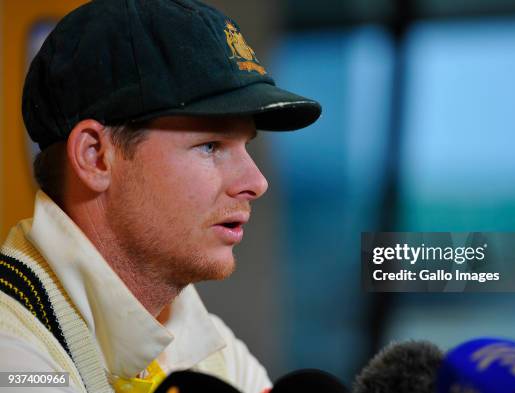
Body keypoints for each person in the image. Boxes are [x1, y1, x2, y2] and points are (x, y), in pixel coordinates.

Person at [0, 0, 321, 392]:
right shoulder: (12, 353)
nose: (255, 181)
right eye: (211, 145)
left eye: (246, 145)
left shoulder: (212, 347)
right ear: (95, 156)